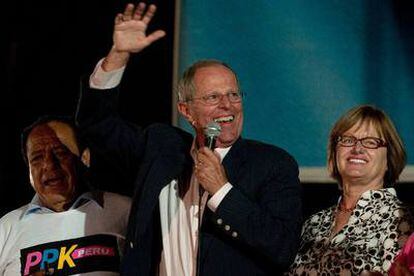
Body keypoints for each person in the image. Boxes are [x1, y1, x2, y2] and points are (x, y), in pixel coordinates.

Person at [75, 2, 302, 275]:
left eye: (233, 95)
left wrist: (222, 191)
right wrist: (118, 54)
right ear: (186, 111)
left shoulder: (273, 164)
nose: (227, 105)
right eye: (212, 98)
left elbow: (282, 248)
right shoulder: (160, 148)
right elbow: (96, 124)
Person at [287, 105, 413, 275]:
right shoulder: (313, 223)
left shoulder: (402, 220)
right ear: (335, 152)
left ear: (389, 159)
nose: (357, 149)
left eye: (371, 142)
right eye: (347, 140)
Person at [0, 116, 131, 275]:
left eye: (60, 153)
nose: (49, 164)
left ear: (84, 158)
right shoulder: (6, 228)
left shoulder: (125, 211)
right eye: (37, 158)